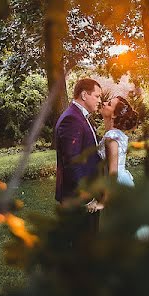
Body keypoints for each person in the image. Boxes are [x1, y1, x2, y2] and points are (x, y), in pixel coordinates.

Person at [54, 78, 104, 233]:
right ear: (84, 95)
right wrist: (87, 198)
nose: (99, 100)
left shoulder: (81, 117)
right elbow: (72, 162)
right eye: (97, 96)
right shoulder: (71, 119)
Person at [98, 95, 140, 188]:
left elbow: (113, 173)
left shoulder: (112, 136)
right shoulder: (116, 134)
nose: (103, 103)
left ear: (114, 115)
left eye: (109, 104)